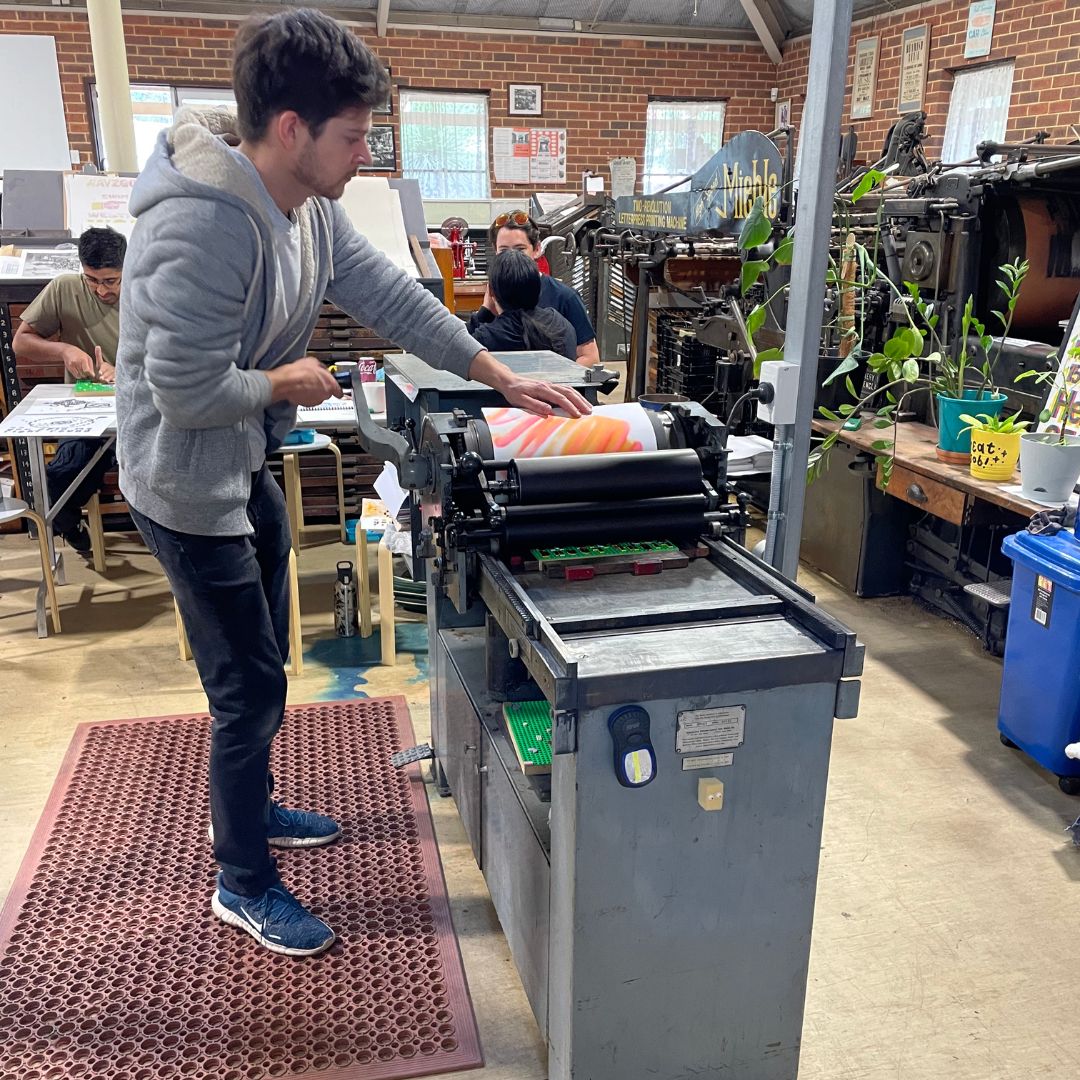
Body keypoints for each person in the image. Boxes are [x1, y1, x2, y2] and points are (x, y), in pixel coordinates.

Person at [114, 8, 589, 959]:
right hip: (181, 477)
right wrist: (283, 382)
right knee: (245, 684)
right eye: (354, 135)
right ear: (290, 129)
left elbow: (391, 297)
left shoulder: (309, 208)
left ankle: (244, 810)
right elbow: (182, 390)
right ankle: (241, 881)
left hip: (242, 462)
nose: (365, 155)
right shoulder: (201, 222)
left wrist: (493, 372)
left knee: (265, 665)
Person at [13, 227, 126, 555]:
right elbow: (22, 341)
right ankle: (72, 528)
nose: (100, 290)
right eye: (92, 280)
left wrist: (126, 371)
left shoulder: (149, 289)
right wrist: (64, 351)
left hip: (140, 404)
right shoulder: (66, 288)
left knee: (154, 470)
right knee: (59, 477)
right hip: (87, 407)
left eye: (110, 280)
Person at [470, 210, 600, 366]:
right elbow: (468, 350)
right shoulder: (493, 294)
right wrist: (485, 311)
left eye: (520, 249)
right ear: (495, 250)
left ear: (537, 249)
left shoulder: (565, 297)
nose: (513, 257)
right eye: (504, 250)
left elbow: (591, 358)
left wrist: (549, 381)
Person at [469, 249, 577, 361]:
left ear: (491, 291)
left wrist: (485, 310)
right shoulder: (561, 325)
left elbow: (458, 350)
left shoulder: (487, 337)